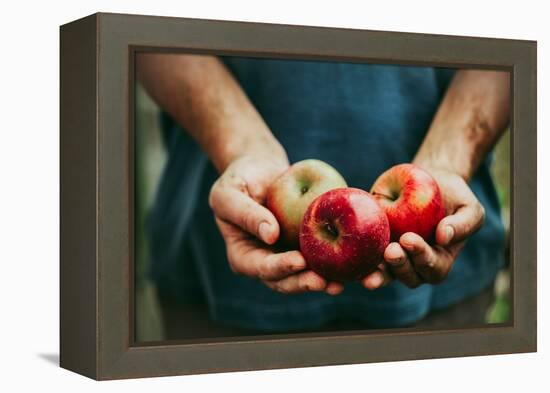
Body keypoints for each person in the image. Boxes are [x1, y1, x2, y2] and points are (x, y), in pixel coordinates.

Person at [137, 54, 510, 336]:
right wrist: (240, 146)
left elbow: (512, 34)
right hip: (212, 274)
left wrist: (449, 159)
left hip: (444, 297)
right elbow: (149, 29)